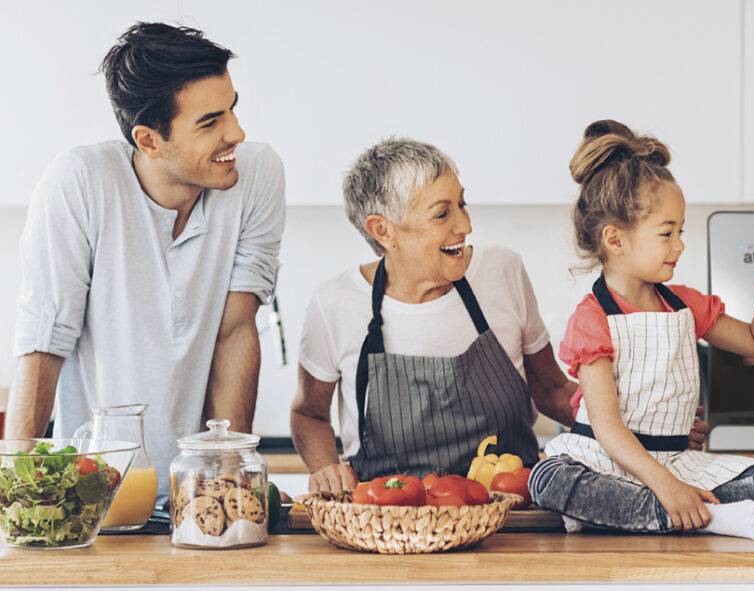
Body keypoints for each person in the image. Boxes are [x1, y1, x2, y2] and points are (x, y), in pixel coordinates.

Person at [290, 137, 709, 492]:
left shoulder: (502, 271)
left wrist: (648, 434)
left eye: (462, 204)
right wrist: (325, 469)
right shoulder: (336, 302)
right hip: (389, 518)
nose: (465, 224)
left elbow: (552, 391)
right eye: (442, 213)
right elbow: (309, 414)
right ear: (383, 230)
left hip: (511, 511)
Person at [7, 23, 286, 502]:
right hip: (93, 492)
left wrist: (225, 481)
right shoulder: (80, 181)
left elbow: (236, 330)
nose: (236, 133)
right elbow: (44, 341)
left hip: (196, 490)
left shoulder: (257, 175)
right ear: (149, 140)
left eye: (232, 108)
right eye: (209, 121)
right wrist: (14, 489)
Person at [528, 120, 754, 539]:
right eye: (667, 233)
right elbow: (607, 427)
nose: (680, 245)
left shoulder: (686, 305)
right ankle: (694, 514)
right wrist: (668, 488)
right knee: (549, 480)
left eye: (681, 231)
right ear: (616, 240)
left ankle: (651, 515)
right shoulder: (593, 318)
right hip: (605, 460)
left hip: (676, 461)